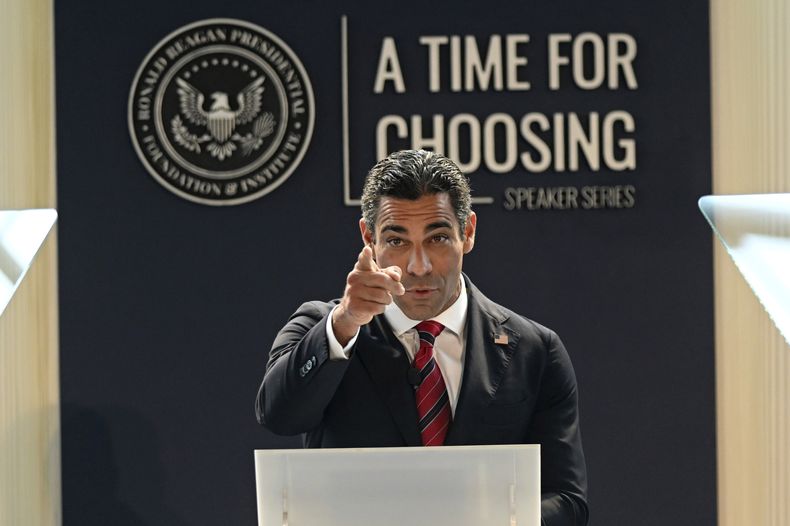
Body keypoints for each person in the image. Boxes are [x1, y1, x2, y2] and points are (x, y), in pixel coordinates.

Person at [256, 149, 588, 525]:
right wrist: (346, 322)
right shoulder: (324, 328)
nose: (419, 266)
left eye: (438, 239)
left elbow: (567, 502)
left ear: (468, 233)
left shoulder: (535, 351)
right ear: (369, 238)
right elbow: (279, 415)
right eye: (397, 241)